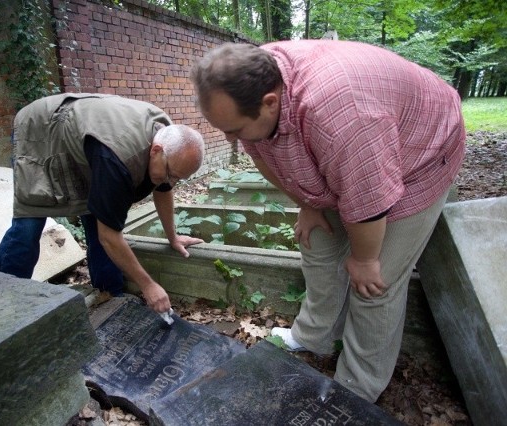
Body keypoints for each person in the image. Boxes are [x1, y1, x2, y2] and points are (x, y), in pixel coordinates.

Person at [190, 41, 465, 402]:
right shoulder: (251, 82)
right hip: (357, 152)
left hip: (419, 154)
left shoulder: (341, 116)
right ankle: (314, 336)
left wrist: (364, 260)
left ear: (270, 103)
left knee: (373, 285)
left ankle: (357, 388)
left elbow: (369, 198)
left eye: (235, 130)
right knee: (317, 243)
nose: (230, 140)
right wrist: (307, 203)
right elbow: (263, 156)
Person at [0, 93, 206, 313]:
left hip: (90, 140)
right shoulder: (119, 160)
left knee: (100, 217)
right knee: (29, 224)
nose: (171, 182)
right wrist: (148, 285)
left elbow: (163, 189)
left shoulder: (169, 143)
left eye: (178, 178)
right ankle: (3, 302)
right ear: (156, 150)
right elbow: (110, 238)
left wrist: (173, 237)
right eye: (171, 174)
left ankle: (111, 299)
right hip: (43, 132)